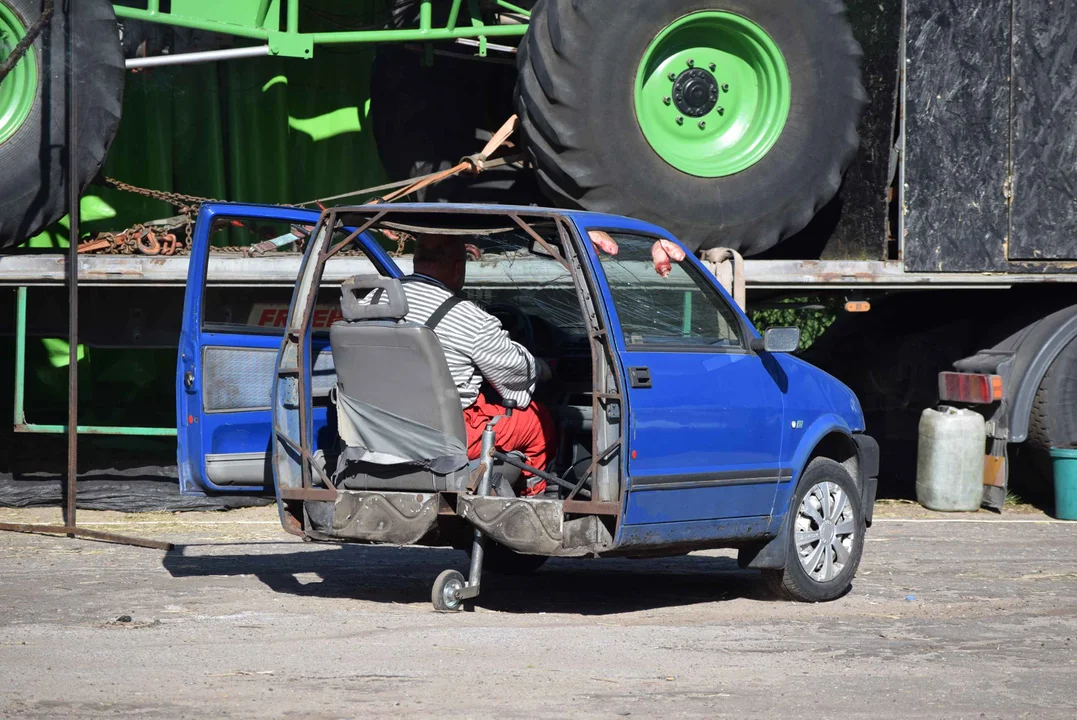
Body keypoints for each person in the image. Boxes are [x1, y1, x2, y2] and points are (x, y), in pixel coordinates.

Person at [373, 233, 556, 496]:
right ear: (459, 267)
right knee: (535, 421)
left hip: (377, 429)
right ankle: (534, 505)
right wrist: (545, 368)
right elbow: (517, 372)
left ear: (415, 260)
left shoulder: (372, 301)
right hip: (443, 436)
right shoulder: (468, 318)